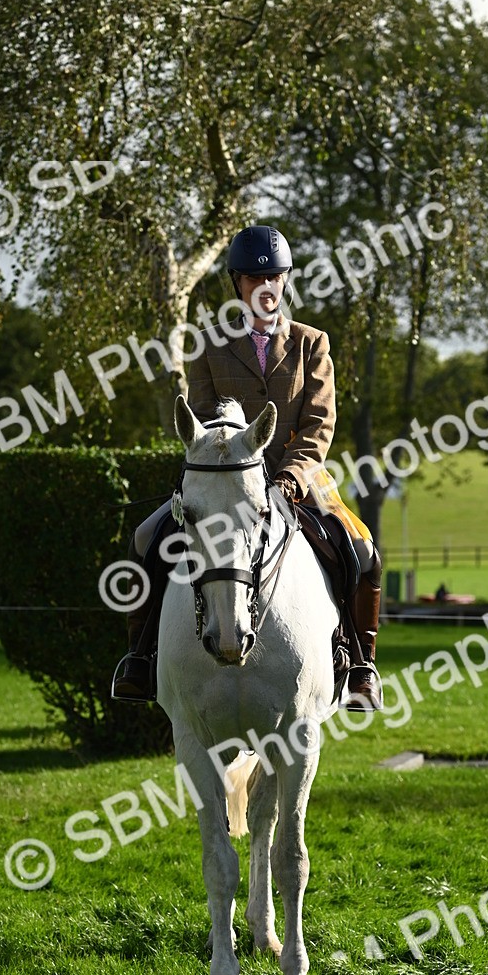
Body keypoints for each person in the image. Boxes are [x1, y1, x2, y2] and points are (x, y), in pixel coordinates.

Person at [113, 224, 383, 710]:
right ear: (236, 283)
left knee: (360, 548)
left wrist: (288, 479)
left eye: (275, 277)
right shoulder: (209, 343)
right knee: (144, 539)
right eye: (255, 279)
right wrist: (232, 465)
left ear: (286, 280)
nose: (266, 287)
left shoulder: (310, 343)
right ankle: (140, 656)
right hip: (226, 476)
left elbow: (320, 424)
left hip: (298, 476)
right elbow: (201, 420)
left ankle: (360, 663)